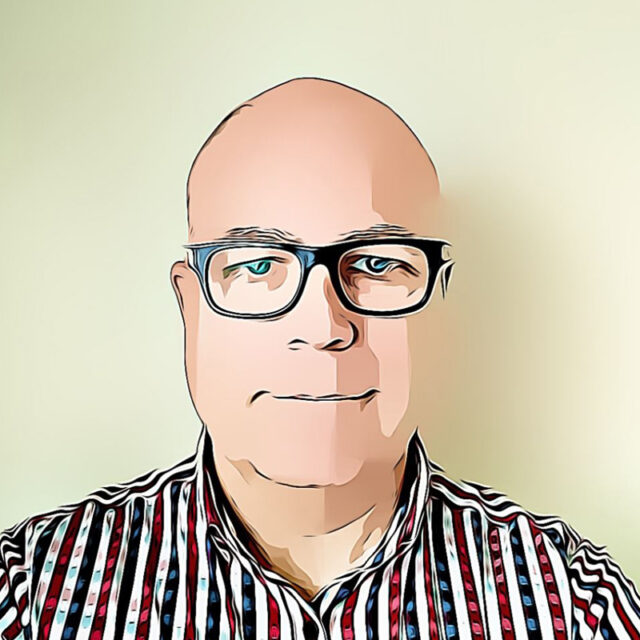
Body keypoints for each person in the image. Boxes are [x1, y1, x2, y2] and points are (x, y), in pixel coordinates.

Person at [1, 77, 638, 640]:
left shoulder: (577, 604)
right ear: (189, 306)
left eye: (378, 263)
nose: (322, 328)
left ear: (437, 303)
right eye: (257, 266)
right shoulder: (29, 593)